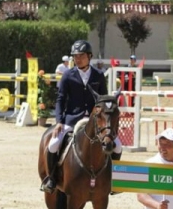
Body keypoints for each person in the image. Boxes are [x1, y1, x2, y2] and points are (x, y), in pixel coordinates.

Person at [40, 40, 123, 193]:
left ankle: (113, 179)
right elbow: (60, 99)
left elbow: (103, 99)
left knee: (117, 145)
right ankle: (51, 178)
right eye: (75, 56)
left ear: (89, 56)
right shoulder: (67, 75)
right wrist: (59, 121)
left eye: (81, 56)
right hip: (72, 119)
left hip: (95, 121)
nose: (78, 59)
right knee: (53, 144)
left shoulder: (98, 75)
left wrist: (107, 119)